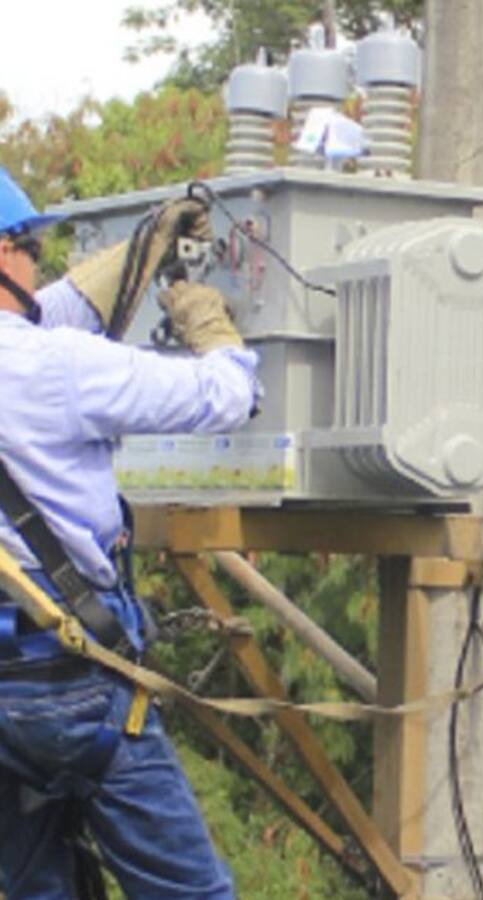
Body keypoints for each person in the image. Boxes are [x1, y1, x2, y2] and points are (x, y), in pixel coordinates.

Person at [0, 166, 256, 898]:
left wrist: (139, 249)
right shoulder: (57, 367)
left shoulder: (40, 352)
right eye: (28, 247)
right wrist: (214, 328)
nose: (36, 263)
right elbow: (224, 398)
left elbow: (41, 315)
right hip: (74, 688)